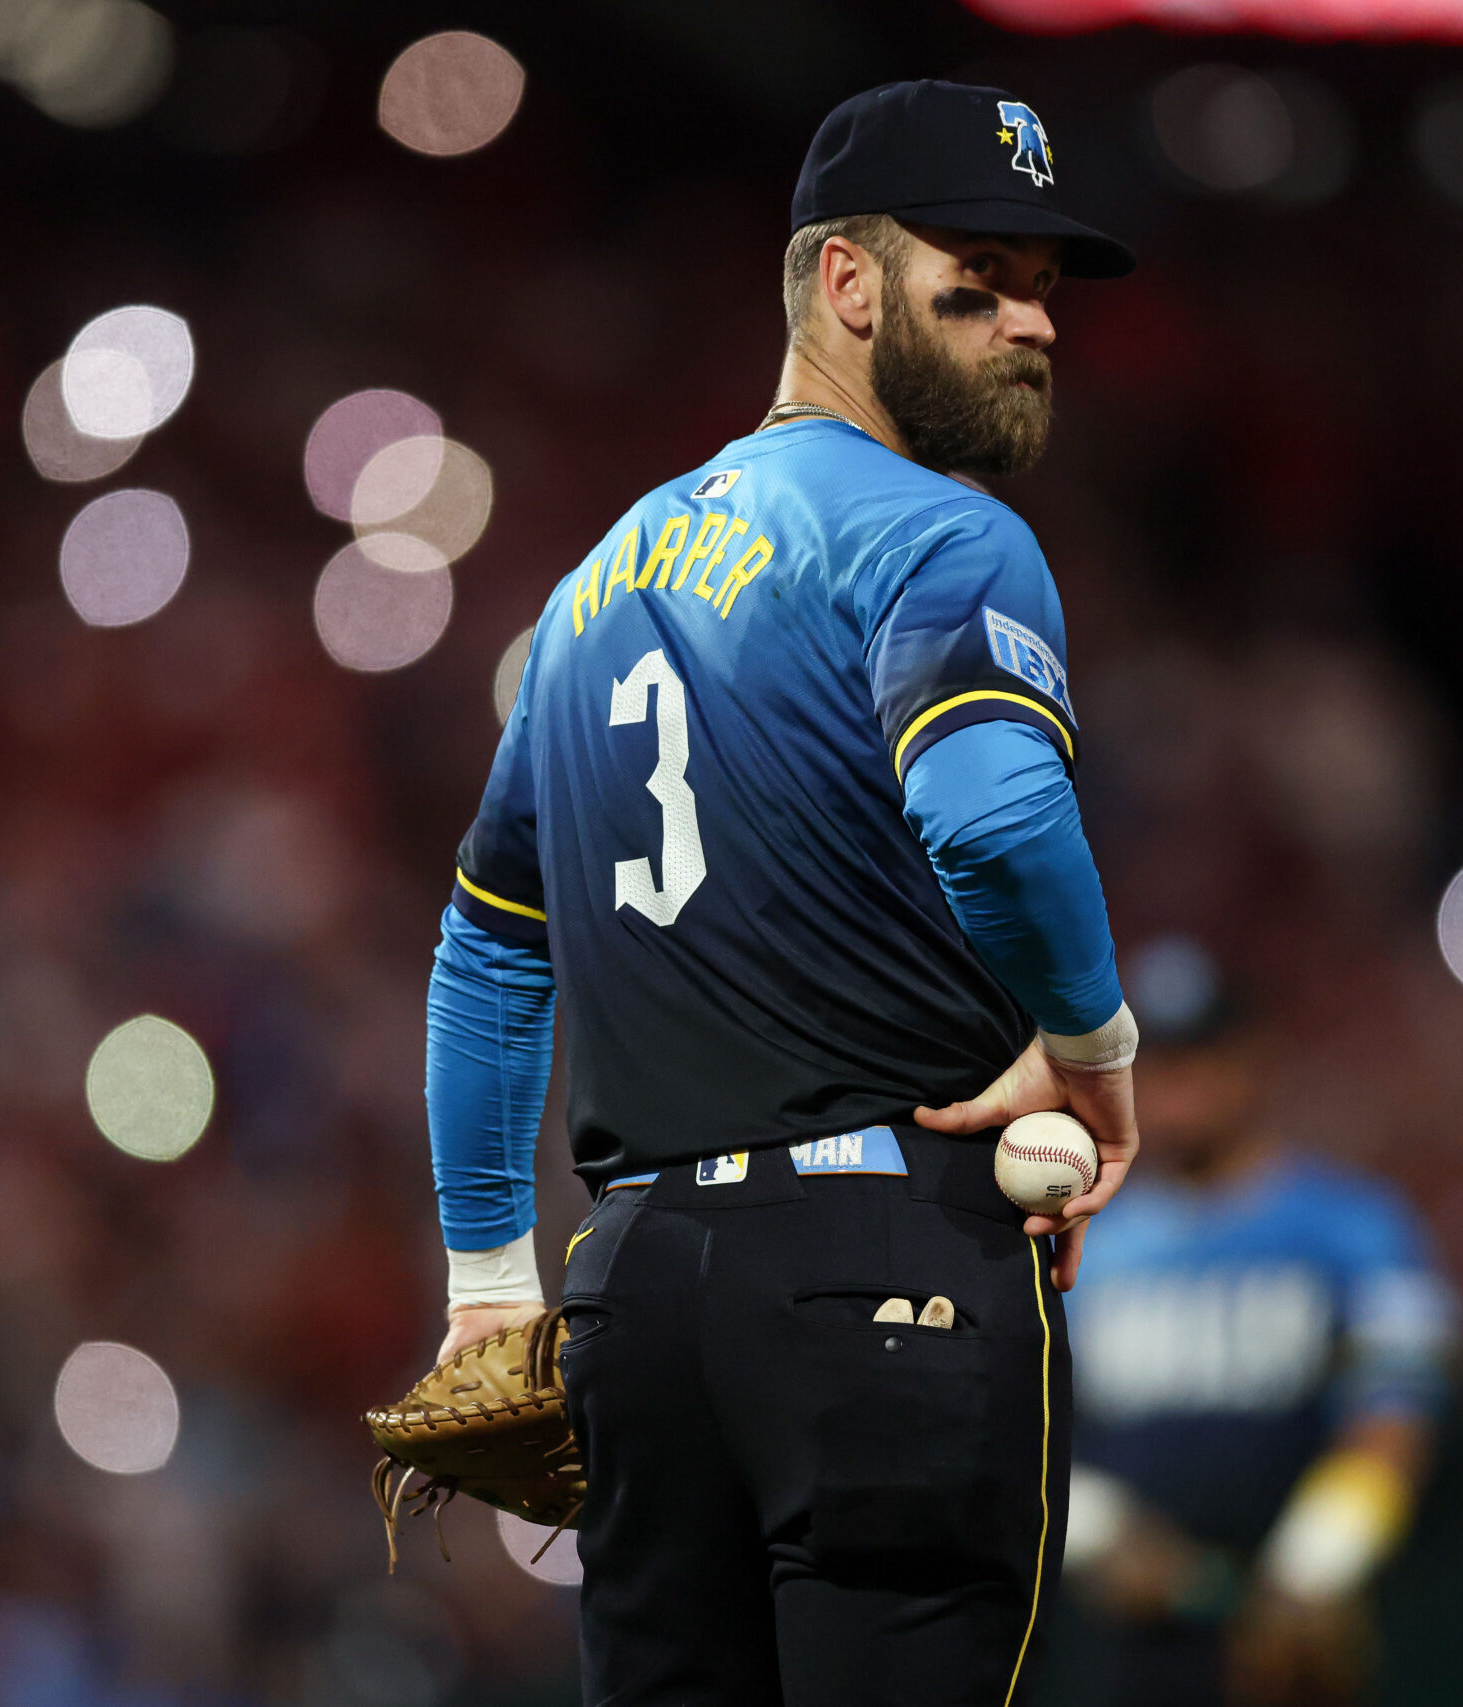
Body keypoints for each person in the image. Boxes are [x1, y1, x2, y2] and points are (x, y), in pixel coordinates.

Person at [419, 80, 1142, 1705]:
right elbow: (995, 817)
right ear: (848, 283)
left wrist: (489, 1281)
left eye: (1044, 286)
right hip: (887, 1273)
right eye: (981, 277)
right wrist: (1094, 1048)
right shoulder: (944, 536)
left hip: (635, 1302)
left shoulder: (594, 586)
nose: (1035, 321)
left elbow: (486, 954)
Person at [1042, 939, 1457, 1707]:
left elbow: (1397, 1411)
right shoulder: (1078, 1248)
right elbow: (1026, 1429)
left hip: (1302, 1638)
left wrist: (1312, 1567)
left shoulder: (1353, 1228)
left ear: (1252, 1056)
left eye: (1202, 1052)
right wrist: (1099, 1534)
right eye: (1158, 1061)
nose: (1180, 1082)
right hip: (1122, 1648)